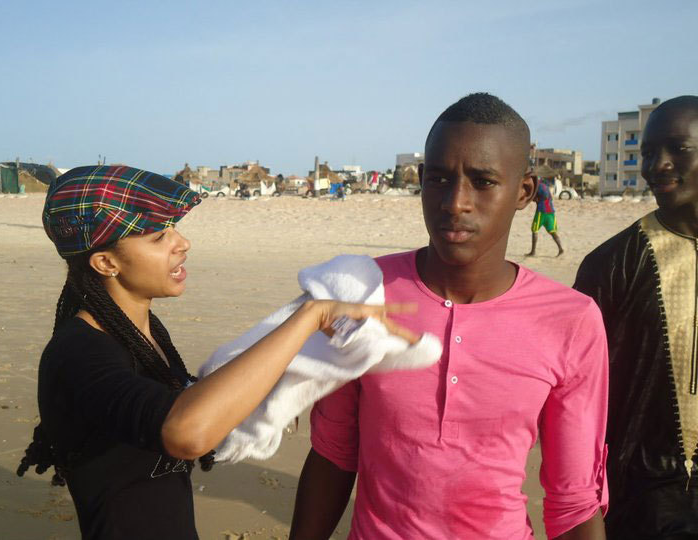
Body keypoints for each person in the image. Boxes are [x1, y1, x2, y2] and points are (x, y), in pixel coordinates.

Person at [16, 165, 414, 540]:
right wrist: (311, 315)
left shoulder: (143, 332)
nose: (181, 243)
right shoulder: (78, 353)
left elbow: (189, 402)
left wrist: (271, 389)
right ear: (106, 262)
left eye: (174, 228)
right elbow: (185, 434)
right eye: (158, 237)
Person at [290, 93, 609, 540]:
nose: (455, 202)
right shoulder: (365, 290)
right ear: (422, 181)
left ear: (523, 192)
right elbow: (333, 452)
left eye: (482, 182)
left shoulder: (570, 320)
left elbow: (573, 499)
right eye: (440, 179)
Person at [574, 95, 698, 539]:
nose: (656, 165)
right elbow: (574, 393)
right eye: (647, 153)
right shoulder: (612, 264)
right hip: (642, 500)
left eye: (677, 149)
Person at [526, 175, 564, 257]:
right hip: (551, 212)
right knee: (552, 231)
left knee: (534, 229)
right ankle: (560, 248)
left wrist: (535, 198)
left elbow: (541, 197)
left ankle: (533, 251)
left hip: (541, 211)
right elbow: (548, 197)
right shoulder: (545, 186)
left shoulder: (537, 187)